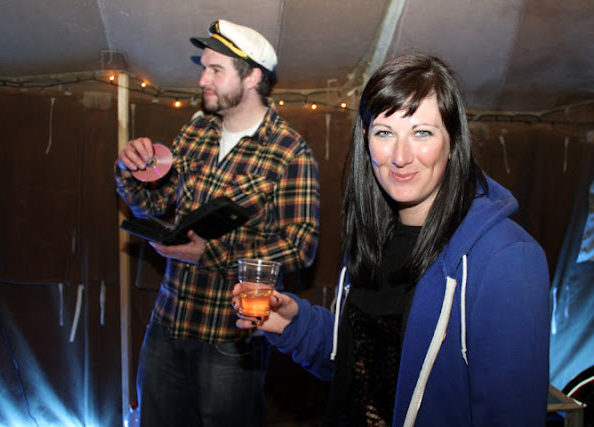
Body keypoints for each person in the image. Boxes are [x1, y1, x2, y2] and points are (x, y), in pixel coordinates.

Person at [233, 53, 550, 426]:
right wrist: (293, 324)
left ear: (453, 141)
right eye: (385, 132)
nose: (400, 156)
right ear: (366, 138)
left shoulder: (506, 258)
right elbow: (361, 368)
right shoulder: (371, 235)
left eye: (422, 132)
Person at [115, 19, 320, 426]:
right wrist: (129, 170)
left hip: (232, 337)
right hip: (168, 323)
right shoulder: (196, 129)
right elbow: (152, 203)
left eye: (215, 70)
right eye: (203, 68)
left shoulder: (290, 151)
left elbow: (300, 246)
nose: (202, 79)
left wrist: (211, 255)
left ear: (252, 78)